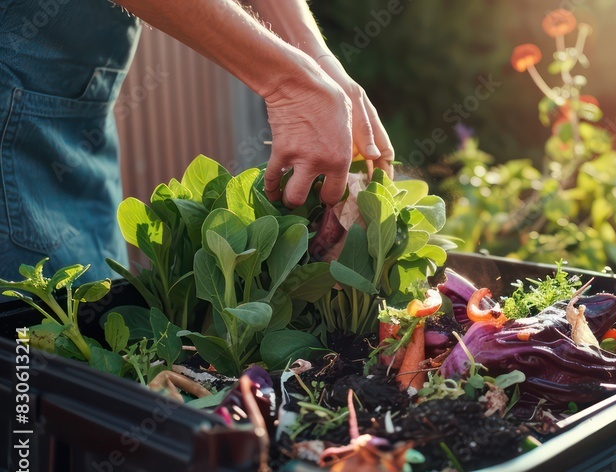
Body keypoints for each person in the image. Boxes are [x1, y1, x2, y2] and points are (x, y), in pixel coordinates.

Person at [0, 0, 393, 281]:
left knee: (94, 321)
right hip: (13, 118)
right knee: (38, 355)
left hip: (74, 119)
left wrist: (320, 64)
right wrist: (290, 82)